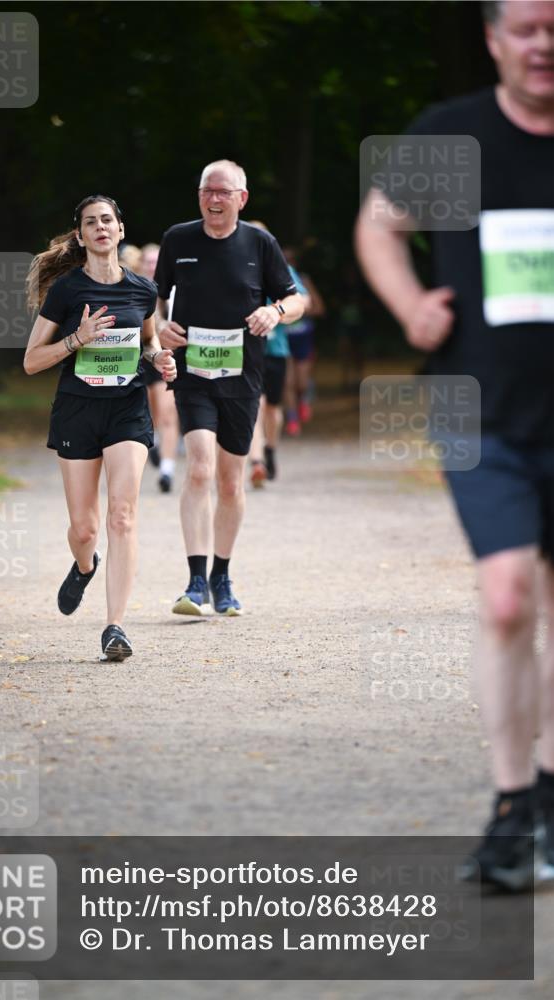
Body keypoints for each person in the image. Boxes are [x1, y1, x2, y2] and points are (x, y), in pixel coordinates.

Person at [355, 0, 554, 889]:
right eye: (525, 27)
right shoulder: (454, 137)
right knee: (508, 598)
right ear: (493, 38)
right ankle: (514, 806)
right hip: (481, 410)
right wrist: (409, 307)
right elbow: (378, 226)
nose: (542, 42)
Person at [24, 195, 176, 660]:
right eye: (91, 222)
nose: (100, 227)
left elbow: (147, 341)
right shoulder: (66, 291)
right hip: (77, 411)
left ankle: (115, 628)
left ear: (121, 229)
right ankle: (84, 566)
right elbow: (31, 362)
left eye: (107, 220)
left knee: (122, 516)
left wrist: (159, 358)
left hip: (126, 410)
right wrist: (76, 340)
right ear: (81, 236)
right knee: (85, 529)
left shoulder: (142, 290)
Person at [155, 159, 305, 616]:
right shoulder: (178, 239)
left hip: (243, 376)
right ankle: (195, 580)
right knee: (199, 468)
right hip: (193, 373)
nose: (213, 199)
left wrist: (275, 312)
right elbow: (154, 299)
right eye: (207, 191)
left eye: (223, 192)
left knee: (230, 481)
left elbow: (297, 298)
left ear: (242, 198)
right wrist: (159, 327)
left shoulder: (260, 243)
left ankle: (223, 575)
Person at [246, 222, 310, 487]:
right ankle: (257, 460)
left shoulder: (282, 268)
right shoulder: (237, 265)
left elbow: (304, 302)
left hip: (276, 350)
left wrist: (277, 311)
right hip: (246, 349)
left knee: (273, 407)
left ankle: (270, 449)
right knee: (255, 403)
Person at [138, 242, 180, 493]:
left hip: (164, 355)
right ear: (141, 264)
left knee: (168, 414)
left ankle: (167, 470)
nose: (152, 266)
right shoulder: (131, 288)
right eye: (148, 262)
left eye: (156, 262)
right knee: (151, 413)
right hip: (139, 359)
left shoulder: (170, 289)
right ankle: (151, 441)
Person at [282, 246, 326, 436]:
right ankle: (292, 418)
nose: (287, 263)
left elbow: (319, 309)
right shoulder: (276, 281)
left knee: (301, 383)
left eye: (290, 260)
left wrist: (299, 309)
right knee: (288, 382)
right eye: (284, 259)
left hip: (304, 339)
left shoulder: (303, 281)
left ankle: (302, 401)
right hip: (284, 340)